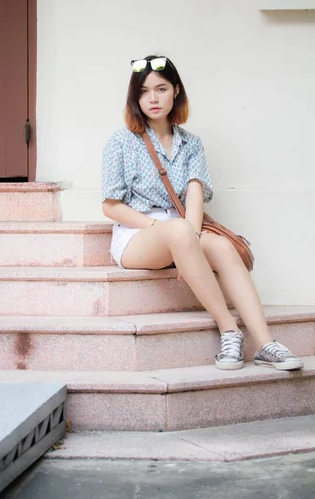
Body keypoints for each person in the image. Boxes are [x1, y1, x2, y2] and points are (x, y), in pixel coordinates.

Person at [102, 55, 303, 371]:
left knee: (220, 246)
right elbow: (110, 206)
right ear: (134, 98)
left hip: (182, 227)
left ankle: (266, 344)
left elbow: (195, 197)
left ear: (176, 91)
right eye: (143, 92)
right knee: (179, 230)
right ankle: (229, 330)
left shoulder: (191, 144)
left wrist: (189, 241)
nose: (152, 98)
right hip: (138, 235)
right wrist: (163, 228)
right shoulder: (121, 141)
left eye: (161, 88)